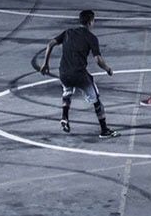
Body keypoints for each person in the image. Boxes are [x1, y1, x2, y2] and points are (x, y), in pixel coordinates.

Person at [40, 9, 118, 139]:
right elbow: (98, 59)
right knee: (96, 101)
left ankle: (64, 117)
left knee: (67, 91)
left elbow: (50, 44)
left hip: (63, 72)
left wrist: (45, 63)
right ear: (90, 22)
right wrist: (108, 69)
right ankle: (104, 130)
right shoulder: (91, 38)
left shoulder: (68, 32)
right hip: (80, 75)